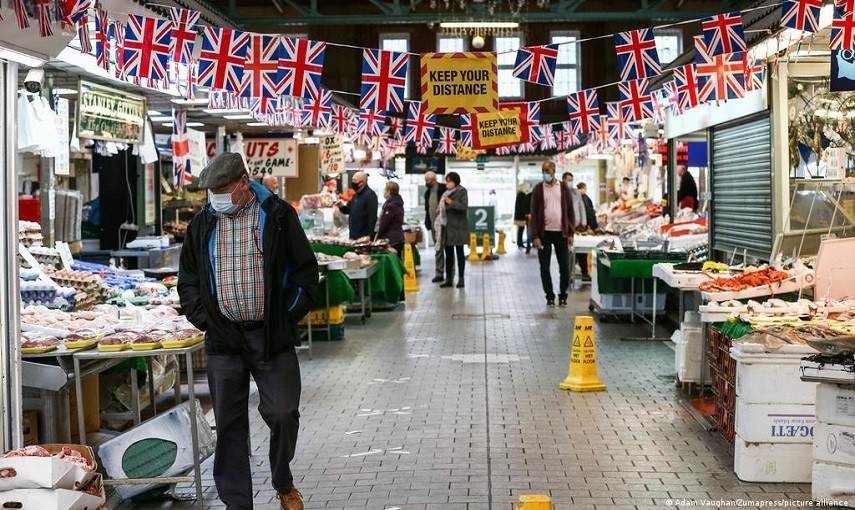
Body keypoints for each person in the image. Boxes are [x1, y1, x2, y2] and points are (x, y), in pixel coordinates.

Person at [178, 152, 318, 510]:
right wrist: (205, 317)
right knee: (229, 425)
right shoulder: (202, 223)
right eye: (211, 191)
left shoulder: (279, 216)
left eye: (222, 188)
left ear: (243, 182)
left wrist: (286, 317)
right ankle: (237, 503)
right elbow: (189, 279)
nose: (215, 196)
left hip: (270, 335)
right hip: (225, 339)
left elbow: (305, 271)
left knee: (284, 413)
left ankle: (282, 479)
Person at [530, 160, 575, 307]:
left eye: (547, 171)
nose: (544, 174)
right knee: (544, 267)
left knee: (564, 267)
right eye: (543, 171)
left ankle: (563, 294)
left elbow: (570, 210)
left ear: (554, 171)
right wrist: (535, 236)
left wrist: (571, 233)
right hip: (544, 234)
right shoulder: (538, 189)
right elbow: (534, 213)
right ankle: (549, 296)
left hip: (561, 233)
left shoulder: (563, 188)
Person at [437, 172, 469, 289]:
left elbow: (464, 207)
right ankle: (448, 279)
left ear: (455, 181)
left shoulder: (462, 191)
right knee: (448, 254)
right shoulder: (445, 194)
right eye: (446, 181)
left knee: (460, 253)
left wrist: (451, 203)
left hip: (459, 228)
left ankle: (461, 279)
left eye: (449, 181)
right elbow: (442, 206)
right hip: (447, 227)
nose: (447, 183)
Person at [336, 171, 378, 239]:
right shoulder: (355, 195)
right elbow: (348, 210)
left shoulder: (370, 196)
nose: (352, 182)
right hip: (353, 235)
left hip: (363, 237)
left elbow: (372, 217)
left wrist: (370, 235)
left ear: (362, 183)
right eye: (352, 180)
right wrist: (341, 206)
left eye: (355, 180)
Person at [423, 171, 446, 283]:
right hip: (433, 226)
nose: (426, 182)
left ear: (434, 179)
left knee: (448, 249)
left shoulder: (443, 189)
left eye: (428, 180)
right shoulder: (427, 193)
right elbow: (427, 210)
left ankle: (450, 275)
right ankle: (439, 273)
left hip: (444, 225)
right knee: (438, 250)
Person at [575, 182, 599, 278]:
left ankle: (574, 271)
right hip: (583, 227)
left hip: (576, 228)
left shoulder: (574, 197)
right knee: (582, 252)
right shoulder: (585, 198)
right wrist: (594, 226)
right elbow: (589, 213)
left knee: (576, 252)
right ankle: (584, 272)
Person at [377, 181, 405, 257]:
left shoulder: (390, 206)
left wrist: (377, 237)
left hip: (392, 239)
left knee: (393, 262)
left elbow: (384, 224)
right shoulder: (398, 203)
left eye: (385, 190)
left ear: (389, 191)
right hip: (399, 238)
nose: (384, 192)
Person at [513, 184, 531, 253]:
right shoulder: (523, 195)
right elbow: (523, 206)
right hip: (521, 216)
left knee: (520, 230)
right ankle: (520, 243)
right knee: (521, 230)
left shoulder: (519, 194)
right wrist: (525, 214)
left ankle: (519, 243)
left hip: (518, 215)